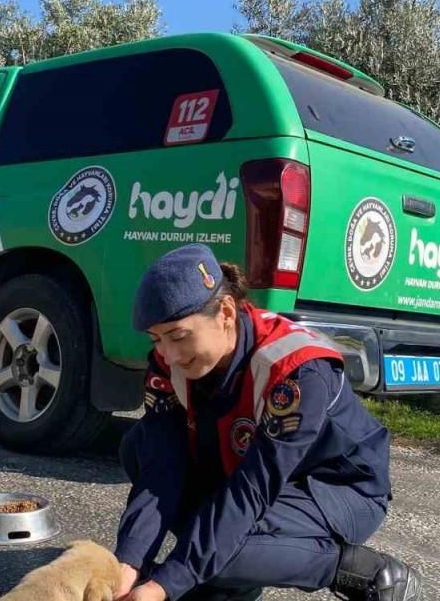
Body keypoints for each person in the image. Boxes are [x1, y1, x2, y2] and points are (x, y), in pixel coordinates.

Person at [113, 244, 421, 601]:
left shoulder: (295, 371)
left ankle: (360, 570)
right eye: (157, 339)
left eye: (179, 336)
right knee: (139, 447)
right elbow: (160, 469)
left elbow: (251, 490)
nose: (168, 354)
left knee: (226, 553)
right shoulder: (170, 363)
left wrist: (167, 584)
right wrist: (129, 563)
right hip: (256, 476)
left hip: (337, 487)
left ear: (225, 312)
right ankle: (228, 579)